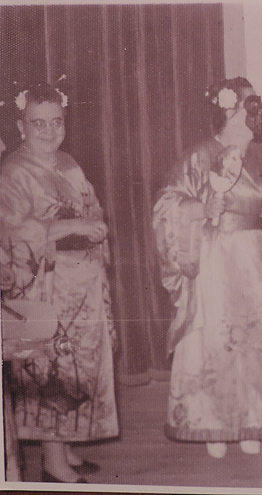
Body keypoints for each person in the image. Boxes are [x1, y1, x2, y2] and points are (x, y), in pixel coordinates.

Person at [152, 77, 262, 459]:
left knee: (252, 340)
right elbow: (167, 206)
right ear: (227, 110)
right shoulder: (199, 156)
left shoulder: (261, 154)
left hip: (254, 256)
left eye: (257, 106)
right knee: (215, 337)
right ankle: (212, 424)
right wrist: (202, 209)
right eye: (248, 106)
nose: (256, 113)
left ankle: (251, 417)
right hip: (217, 257)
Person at [0, 83, 118, 483]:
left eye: (56, 122)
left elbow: (89, 206)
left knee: (78, 368)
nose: (49, 132)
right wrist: (74, 224)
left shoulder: (68, 161)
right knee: (54, 367)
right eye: (38, 124)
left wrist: (93, 224)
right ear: (21, 126)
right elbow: (12, 232)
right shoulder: (13, 171)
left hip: (80, 283)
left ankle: (65, 445)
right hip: (46, 286)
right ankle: (53, 463)